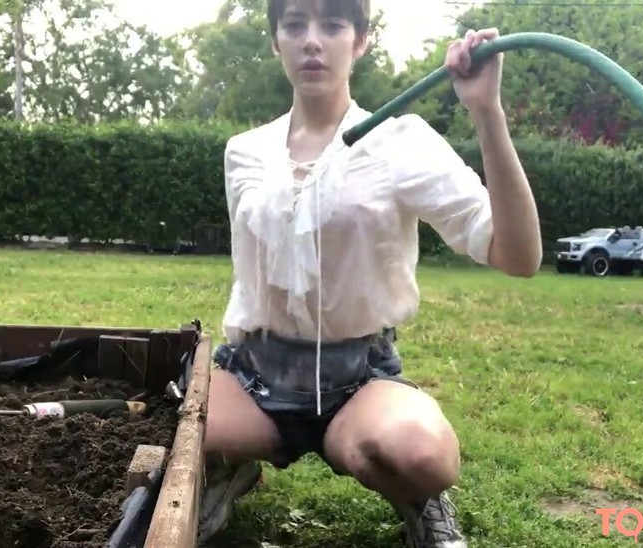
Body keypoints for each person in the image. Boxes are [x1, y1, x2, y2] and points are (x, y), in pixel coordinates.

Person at [198, 0, 542, 546]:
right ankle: (232, 464)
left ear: (360, 41)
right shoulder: (244, 152)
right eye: (294, 25)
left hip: (358, 381)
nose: (312, 40)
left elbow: (518, 256)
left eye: (332, 25)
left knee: (422, 455)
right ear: (276, 41)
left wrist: (486, 112)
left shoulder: (400, 142)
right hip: (254, 377)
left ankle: (419, 498)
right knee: (165, 427)